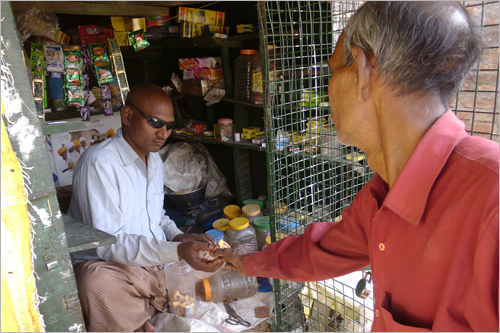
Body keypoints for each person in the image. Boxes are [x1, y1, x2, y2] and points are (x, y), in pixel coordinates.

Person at [214, 2, 498, 332]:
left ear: (364, 69)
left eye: (333, 70)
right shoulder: (384, 191)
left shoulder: (491, 201)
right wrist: (245, 261)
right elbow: (318, 252)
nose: (328, 89)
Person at [68, 83, 224, 332]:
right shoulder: (100, 163)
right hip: (114, 266)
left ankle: (141, 310)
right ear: (127, 115)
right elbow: (109, 245)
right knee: (96, 282)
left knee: (220, 258)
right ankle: (140, 310)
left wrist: (179, 237)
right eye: (155, 122)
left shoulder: (154, 159)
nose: (163, 133)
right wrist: (179, 251)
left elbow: (157, 217)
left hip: (153, 262)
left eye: (169, 126)